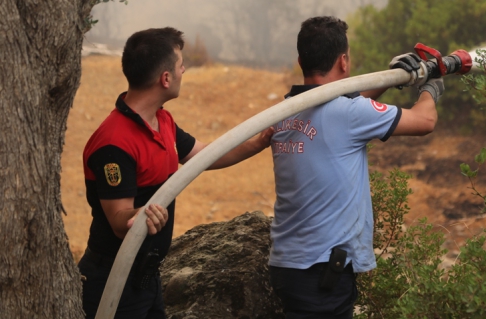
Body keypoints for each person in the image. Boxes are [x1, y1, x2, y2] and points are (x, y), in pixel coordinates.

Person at [78, 27, 272, 319]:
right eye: (180, 64)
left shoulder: (162, 121)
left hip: (147, 277)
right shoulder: (114, 143)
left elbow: (205, 156)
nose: (184, 69)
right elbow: (120, 221)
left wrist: (259, 142)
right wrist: (142, 214)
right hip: (113, 281)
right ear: (165, 78)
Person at [268, 16, 444, 318]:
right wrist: (431, 87)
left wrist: (388, 79)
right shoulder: (348, 114)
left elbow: (341, 107)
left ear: (300, 60)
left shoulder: (283, 112)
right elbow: (424, 121)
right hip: (323, 272)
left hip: (288, 266)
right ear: (344, 61)